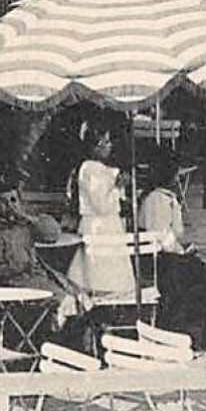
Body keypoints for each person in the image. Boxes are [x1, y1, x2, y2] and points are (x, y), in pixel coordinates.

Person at [136, 153, 206, 350]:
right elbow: (162, 235)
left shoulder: (161, 198)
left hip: (166, 255)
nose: (179, 181)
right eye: (177, 176)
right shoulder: (158, 200)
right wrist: (182, 252)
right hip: (161, 259)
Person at [66, 123, 137, 297]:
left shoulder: (101, 169)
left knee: (111, 266)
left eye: (109, 141)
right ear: (94, 147)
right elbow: (100, 205)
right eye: (104, 143)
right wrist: (116, 185)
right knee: (101, 270)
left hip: (108, 223)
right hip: (99, 224)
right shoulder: (90, 169)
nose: (110, 145)